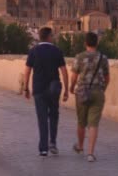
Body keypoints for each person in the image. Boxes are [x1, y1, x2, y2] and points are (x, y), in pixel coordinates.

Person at [23, 27, 69, 157]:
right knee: (53, 115)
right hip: (53, 89)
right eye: (52, 35)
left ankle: (43, 149)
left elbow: (27, 71)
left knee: (42, 118)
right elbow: (64, 71)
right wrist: (66, 90)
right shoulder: (57, 51)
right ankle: (52, 143)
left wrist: (26, 88)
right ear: (49, 36)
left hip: (38, 90)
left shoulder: (33, 51)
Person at [69, 32, 110, 163]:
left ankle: (80, 146)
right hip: (98, 92)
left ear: (85, 43)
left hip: (82, 92)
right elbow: (107, 77)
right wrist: (102, 89)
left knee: (81, 122)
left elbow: (74, 76)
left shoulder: (79, 57)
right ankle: (90, 153)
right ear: (97, 43)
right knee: (94, 124)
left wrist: (71, 88)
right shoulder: (103, 58)